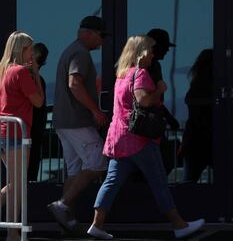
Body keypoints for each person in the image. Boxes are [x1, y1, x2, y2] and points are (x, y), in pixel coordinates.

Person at [87, 35, 205, 240]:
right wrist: (159, 90)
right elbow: (143, 101)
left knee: (111, 181)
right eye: (150, 51)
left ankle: (96, 224)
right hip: (138, 139)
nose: (152, 55)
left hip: (119, 138)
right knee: (158, 179)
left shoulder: (122, 75)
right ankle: (179, 225)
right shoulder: (140, 74)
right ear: (141, 53)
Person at [48, 16, 109, 232]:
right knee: (99, 162)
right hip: (77, 122)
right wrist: (95, 110)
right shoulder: (80, 53)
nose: (102, 43)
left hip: (64, 122)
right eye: (101, 36)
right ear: (89, 33)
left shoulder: (71, 50)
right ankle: (63, 204)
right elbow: (74, 84)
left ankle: (67, 220)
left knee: (74, 171)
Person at [0, 31, 44, 241]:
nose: (32, 55)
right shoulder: (20, 72)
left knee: (14, 182)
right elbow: (38, 101)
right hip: (16, 134)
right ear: (22, 49)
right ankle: (12, 231)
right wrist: (35, 73)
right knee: (18, 184)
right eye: (29, 50)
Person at [147, 28, 180, 175]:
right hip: (146, 122)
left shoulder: (155, 65)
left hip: (154, 121)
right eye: (165, 47)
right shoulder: (145, 66)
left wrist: (168, 117)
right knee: (164, 159)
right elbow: (149, 98)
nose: (167, 51)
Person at [179, 49, 213, 182]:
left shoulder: (196, 86)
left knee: (189, 182)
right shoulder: (208, 87)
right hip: (208, 140)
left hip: (195, 141)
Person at [28, 42, 49, 181]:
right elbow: (39, 103)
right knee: (28, 171)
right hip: (30, 129)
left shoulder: (38, 80)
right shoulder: (31, 79)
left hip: (33, 129)